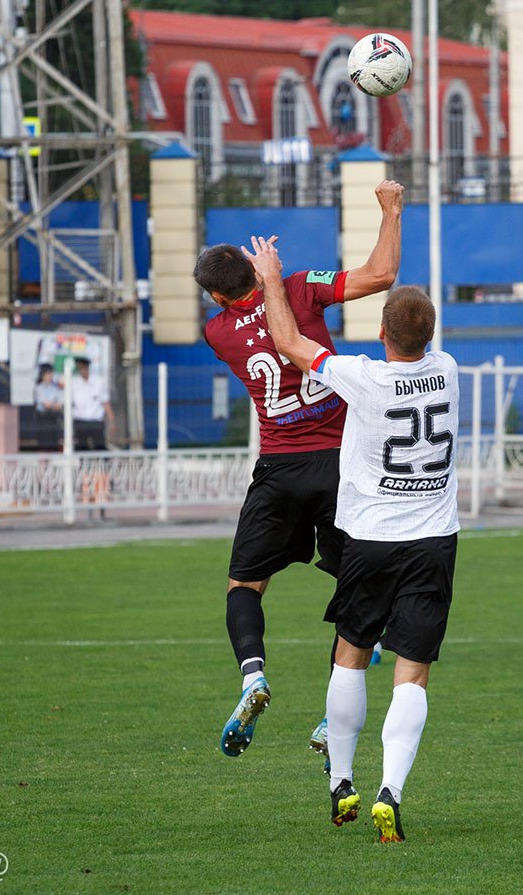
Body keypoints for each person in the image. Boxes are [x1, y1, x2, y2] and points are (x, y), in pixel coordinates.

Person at [250, 234, 459, 843]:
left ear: (381, 334)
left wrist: (270, 278)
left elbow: (288, 343)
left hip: (369, 539)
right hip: (433, 542)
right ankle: (391, 790)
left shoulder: (361, 377)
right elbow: (415, 337)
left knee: (351, 654)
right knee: (412, 672)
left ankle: (342, 781)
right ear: (430, 335)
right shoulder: (447, 372)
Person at [192, 180, 403, 760]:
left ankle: (252, 677)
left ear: (215, 297)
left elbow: (254, 322)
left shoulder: (216, 333)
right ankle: (336, 706)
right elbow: (381, 275)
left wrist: (256, 287)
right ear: (254, 265)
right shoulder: (300, 287)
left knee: (245, 585)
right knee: (359, 584)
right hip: (342, 463)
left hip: (279, 468)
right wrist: (389, 209)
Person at [71, 356, 114, 451]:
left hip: (95, 420)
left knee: (100, 446)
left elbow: (105, 402)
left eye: (84, 368)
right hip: (80, 420)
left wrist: (111, 421)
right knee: (81, 447)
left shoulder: (98, 382)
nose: (82, 370)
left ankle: (105, 465)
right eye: (80, 368)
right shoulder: (74, 383)